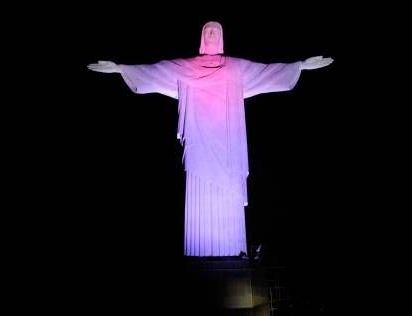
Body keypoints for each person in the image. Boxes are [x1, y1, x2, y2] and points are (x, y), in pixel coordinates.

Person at [88, 21, 332, 257]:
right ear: (202, 38)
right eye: (208, 30)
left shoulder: (236, 68)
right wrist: (121, 68)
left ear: (222, 36)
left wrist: (299, 65)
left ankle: (232, 255)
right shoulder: (186, 67)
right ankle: (200, 256)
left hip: (228, 148)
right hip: (199, 145)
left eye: (216, 30)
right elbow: (155, 71)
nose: (213, 33)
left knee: (228, 197)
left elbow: (268, 71)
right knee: (199, 193)